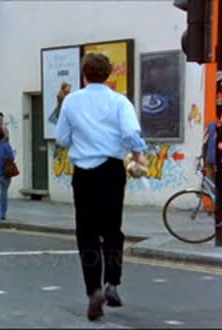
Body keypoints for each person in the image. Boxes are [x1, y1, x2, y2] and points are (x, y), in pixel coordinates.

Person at [55, 53, 148, 322]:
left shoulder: (72, 101)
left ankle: (93, 289)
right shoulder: (120, 101)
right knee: (112, 231)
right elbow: (131, 132)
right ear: (108, 75)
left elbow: (61, 138)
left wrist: (80, 135)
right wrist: (138, 154)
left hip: (83, 174)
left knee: (86, 234)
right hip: (111, 171)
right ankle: (113, 283)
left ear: (84, 74)